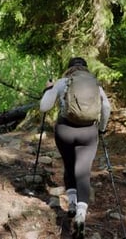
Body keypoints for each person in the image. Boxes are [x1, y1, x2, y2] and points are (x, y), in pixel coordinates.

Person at [40, 57, 111, 238]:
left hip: (65, 131)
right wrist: (102, 128)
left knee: (69, 165)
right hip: (88, 132)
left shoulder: (62, 82)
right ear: (85, 69)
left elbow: (44, 107)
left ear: (68, 69)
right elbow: (106, 107)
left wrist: (48, 89)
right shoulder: (94, 84)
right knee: (83, 172)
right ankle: (81, 214)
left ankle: (71, 204)